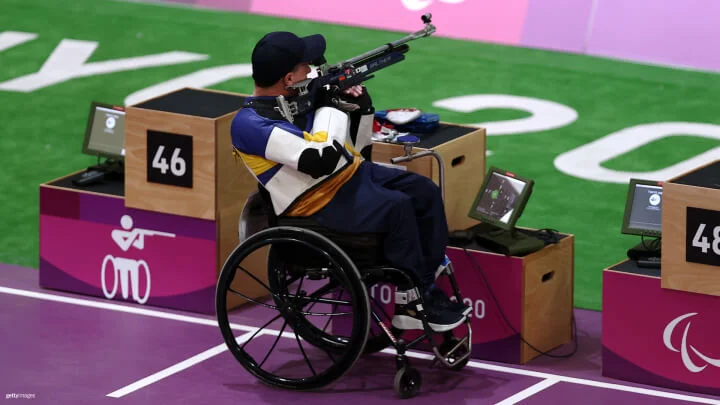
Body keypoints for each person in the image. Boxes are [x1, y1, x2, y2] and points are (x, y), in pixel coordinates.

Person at [230, 31, 469, 332]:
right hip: (315, 202)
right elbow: (322, 159)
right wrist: (330, 105)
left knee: (423, 191)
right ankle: (410, 301)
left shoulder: (297, 101)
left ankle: (423, 285)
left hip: (348, 178)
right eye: (307, 66)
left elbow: (356, 151)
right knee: (398, 207)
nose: (315, 70)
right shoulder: (250, 124)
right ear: (289, 78)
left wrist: (360, 110)